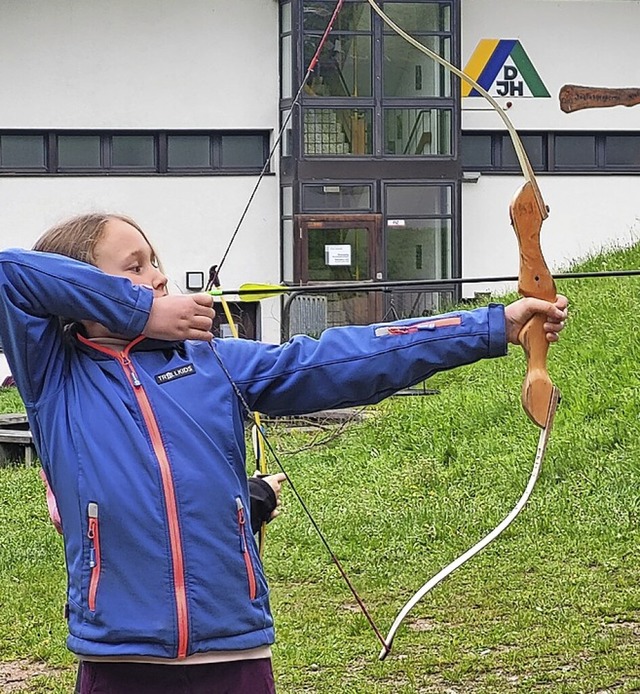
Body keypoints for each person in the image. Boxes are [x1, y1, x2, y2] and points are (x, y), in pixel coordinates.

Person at [0, 213, 568, 694]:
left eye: (153, 261)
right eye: (134, 267)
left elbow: (345, 358)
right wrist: (140, 312)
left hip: (233, 652)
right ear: (75, 286)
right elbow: (9, 271)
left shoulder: (213, 361)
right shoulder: (54, 376)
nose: (158, 276)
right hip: (117, 658)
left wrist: (494, 325)